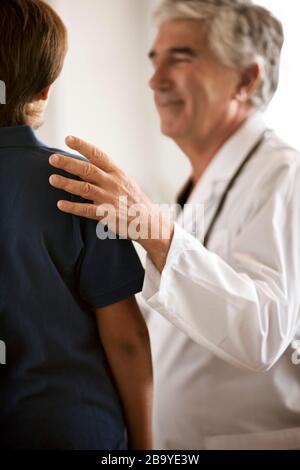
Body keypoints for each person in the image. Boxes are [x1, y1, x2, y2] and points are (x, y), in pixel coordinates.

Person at [49, 0, 300, 450]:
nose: (155, 79)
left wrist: (151, 228)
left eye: (180, 58)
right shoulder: (201, 184)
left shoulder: (286, 176)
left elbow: (262, 331)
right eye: (154, 60)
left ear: (246, 78)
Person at [0, 0, 152, 450]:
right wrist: (145, 448)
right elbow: (125, 338)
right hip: (73, 428)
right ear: (47, 88)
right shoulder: (81, 182)